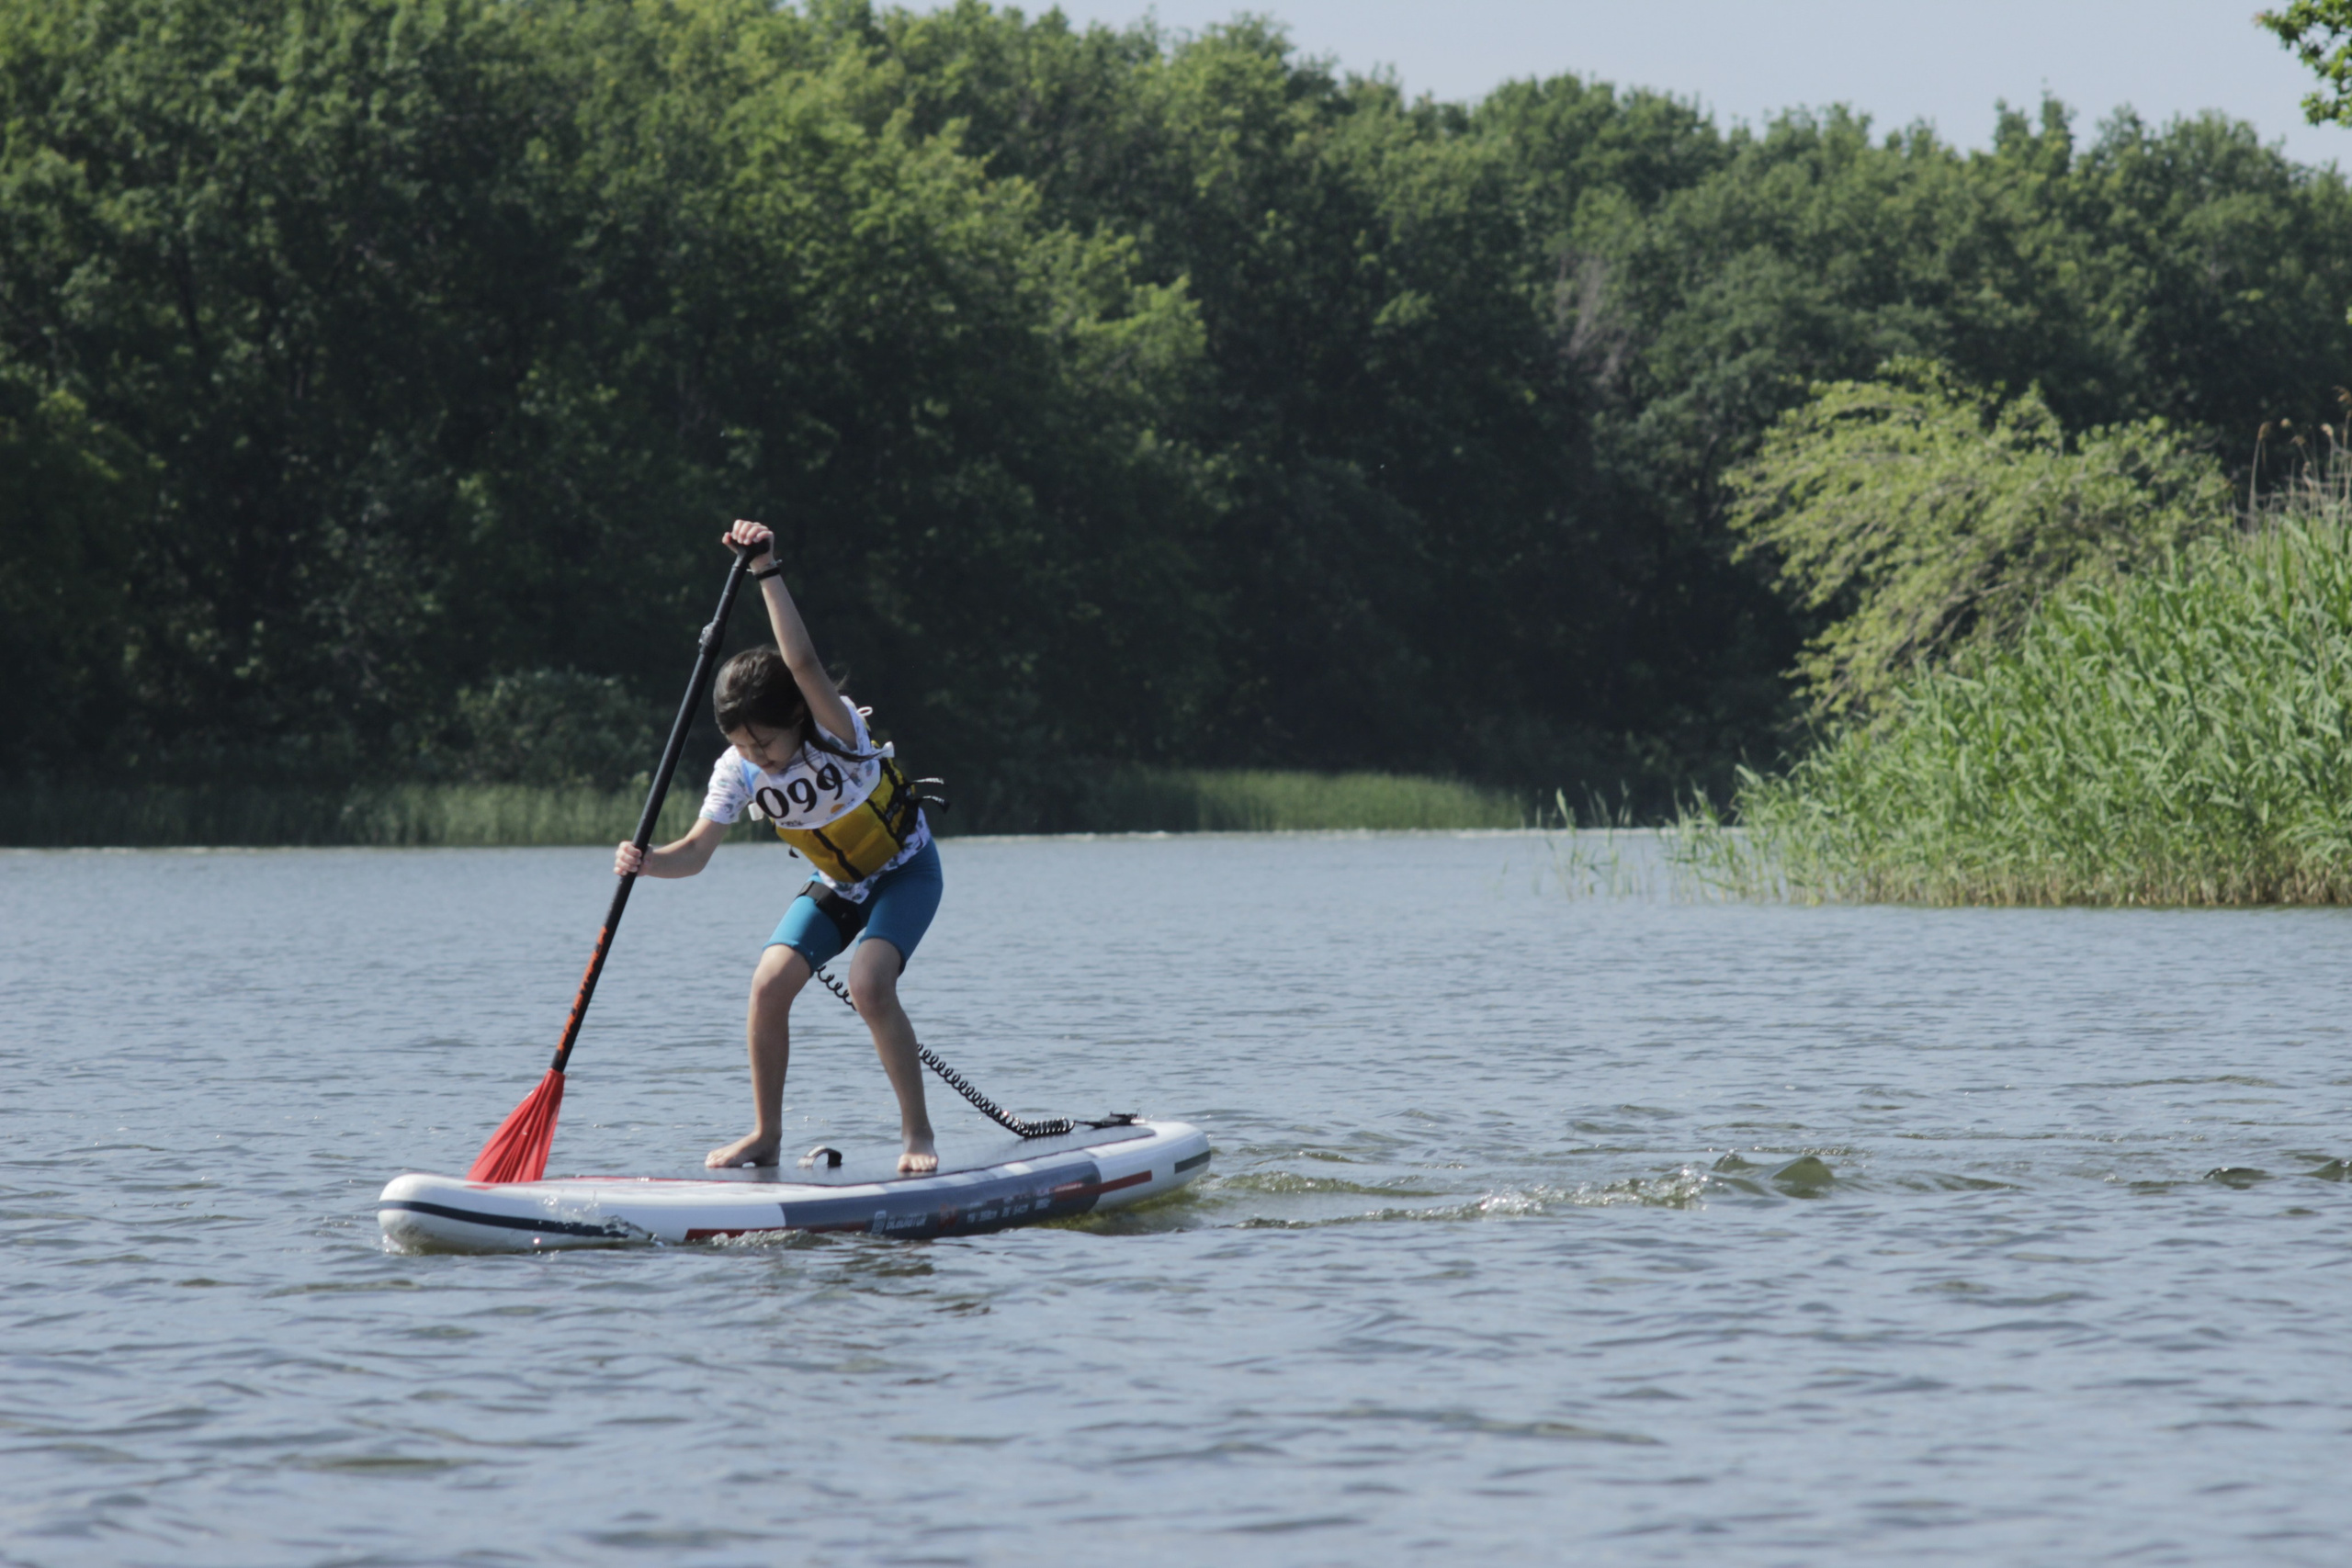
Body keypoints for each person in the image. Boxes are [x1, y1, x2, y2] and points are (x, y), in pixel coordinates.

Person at [616, 520, 944, 1172]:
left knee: (870, 983)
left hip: (905, 870)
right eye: (741, 744)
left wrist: (766, 569)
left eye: (763, 743)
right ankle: (766, 1134)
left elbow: (801, 663)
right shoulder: (736, 770)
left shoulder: (836, 730)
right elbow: (697, 850)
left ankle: (918, 1135)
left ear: (796, 718)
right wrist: (649, 863)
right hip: (841, 884)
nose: (755, 758)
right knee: (767, 986)